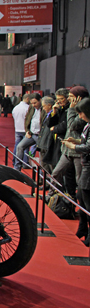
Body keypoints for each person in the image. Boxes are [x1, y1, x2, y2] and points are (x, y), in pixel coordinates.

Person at [63, 95, 90, 246]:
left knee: (86, 200)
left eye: (81, 113)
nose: (79, 116)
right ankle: (82, 229)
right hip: (86, 165)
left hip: (88, 167)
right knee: (82, 198)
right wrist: (76, 141)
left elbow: (89, 146)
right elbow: (86, 141)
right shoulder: (87, 125)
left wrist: (74, 147)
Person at [53, 87, 88, 197]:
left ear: (79, 98)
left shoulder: (83, 110)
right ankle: (51, 196)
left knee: (79, 181)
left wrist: (72, 109)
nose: (68, 99)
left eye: (71, 97)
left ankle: (81, 207)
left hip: (78, 151)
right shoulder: (68, 108)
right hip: (68, 149)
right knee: (56, 173)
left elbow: (72, 125)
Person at [14, 93, 45, 171]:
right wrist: (27, 131)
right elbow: (27, 119)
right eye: (32, 103)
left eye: (35, 103)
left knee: (42, 154)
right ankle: (17, 168)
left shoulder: (44, 109)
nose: (33, 105)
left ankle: (41, 175)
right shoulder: (31, 107)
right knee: (19, 147)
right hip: (31, 134)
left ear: (40, 100)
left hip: (41, 136)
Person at [36, 96, 57, 172]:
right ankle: (45, 182)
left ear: (49, 105)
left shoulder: (55, 114)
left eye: (44, 106)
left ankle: (52, 183)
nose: (43, 108)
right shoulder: (46, 114)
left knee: (51, 166)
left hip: (48, 144)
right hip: (43, 143)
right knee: (44, 165)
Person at [12, 94, 31, 167]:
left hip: (17, 128)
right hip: (25, 129)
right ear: (27, 99)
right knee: (25, 146)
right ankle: (25, 162)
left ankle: (15, 160)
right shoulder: (28, 108)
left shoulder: (16, 107)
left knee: (17, 145)